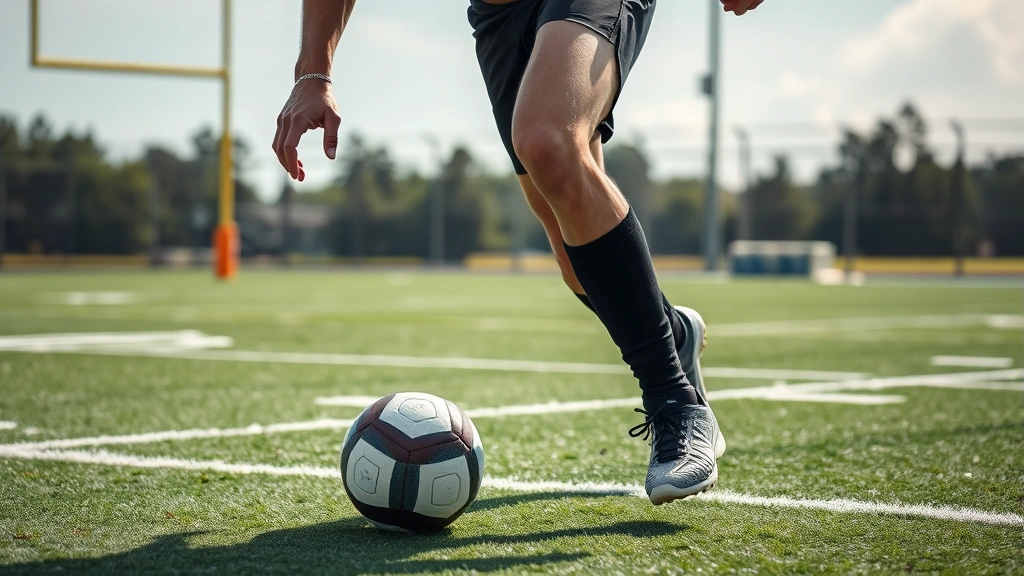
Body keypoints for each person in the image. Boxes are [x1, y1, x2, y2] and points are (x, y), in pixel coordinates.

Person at [273, 0, 764, 505]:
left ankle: (677, 401)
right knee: (573, 248)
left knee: (547, 139)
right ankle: (672, 332)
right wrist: (313, 73)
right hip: (500, 14)